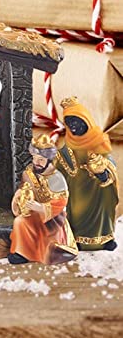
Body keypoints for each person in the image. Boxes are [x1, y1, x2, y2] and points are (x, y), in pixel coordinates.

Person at [55, 96, 119, 251]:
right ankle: (78, 238)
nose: (73, 126)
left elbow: (110, 161)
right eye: (69, 123)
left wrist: (104, 172)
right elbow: (60, 166)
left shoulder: (98, 139)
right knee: (78, 211)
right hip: (78, 187)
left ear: (86, 121)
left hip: (99, 187)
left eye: (76, 121)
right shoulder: (67, 146)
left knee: (105, 207)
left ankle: (106, 238)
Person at [8, 134, 78, 264]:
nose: (36, 162)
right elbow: (25, 187)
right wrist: (20, 195)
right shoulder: (29, 172)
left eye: (40, 159)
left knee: (49, 240)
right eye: (34, 158)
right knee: (20, 222)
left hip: (52, 218)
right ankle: (23, 252)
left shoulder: (57, 178)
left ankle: (41, 253)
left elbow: (61, 203)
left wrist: (40, 207)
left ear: (49, 160)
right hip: (33, 212)